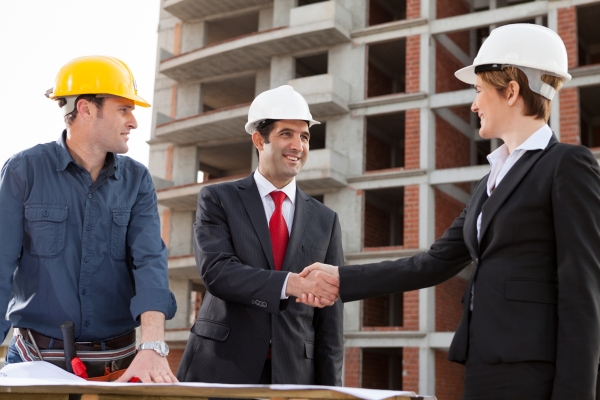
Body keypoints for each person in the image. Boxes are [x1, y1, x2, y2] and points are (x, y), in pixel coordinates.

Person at [300, 24, 600, 399]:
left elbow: (583, 292)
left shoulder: (567, 165)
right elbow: (433, 263)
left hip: (534, 374)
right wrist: (342, 279)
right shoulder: (490, 181)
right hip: (481, 367)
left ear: (511, 91)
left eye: (478, 90)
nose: (473, 104)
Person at [0, 56, 178, 383]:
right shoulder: (23, 171)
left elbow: (150, 261)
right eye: (124, 109)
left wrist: (153, 343)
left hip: (120, 366)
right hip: (36, 362)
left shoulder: (138, 180)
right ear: (85, 109)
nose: (134, 121)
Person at [176, 85, 343, 385]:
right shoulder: (217, 199)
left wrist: (332, 390)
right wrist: (289, 283)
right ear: (258, 139)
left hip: (294, 375)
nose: (298, 145)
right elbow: (217, 273)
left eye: (304, 136)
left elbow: (331, 319)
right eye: (286, 134)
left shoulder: (325, 220)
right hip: (221, 368)